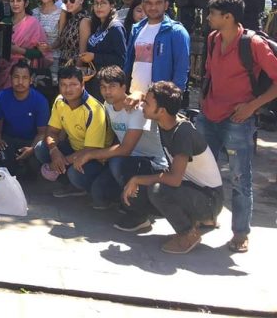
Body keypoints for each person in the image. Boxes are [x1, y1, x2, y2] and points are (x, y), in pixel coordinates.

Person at [196, 0, 277, 253]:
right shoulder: (213, 39)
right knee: (203, 171)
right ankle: (207, 217)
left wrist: (253, 106)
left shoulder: (253, 44)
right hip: (209, 115)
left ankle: (240, 233)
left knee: (240, 179)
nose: (208, 18)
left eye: (212, 14)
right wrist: (203, 100)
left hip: (238, 120)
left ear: (228, 17)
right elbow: (209, 74)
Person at [122, 81, 223, 255]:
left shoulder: (182, 132)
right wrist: (138, 95)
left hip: (209, 200)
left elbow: (175, 179)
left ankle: (188, 234)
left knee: (157, 190)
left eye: (147, 103)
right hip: (192, 190)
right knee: (137, 194)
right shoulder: (164, 123)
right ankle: (196, 221)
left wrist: (137, 179)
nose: (143, 105)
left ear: (161, 110)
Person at [70, 66, 167, 223]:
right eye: (103, 87)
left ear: (124, 87)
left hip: (152, 163)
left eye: (112, 86)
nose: (107, 91)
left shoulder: (137, 109)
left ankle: (140, 212)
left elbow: (125, 149)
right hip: (127, 162)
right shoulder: (108, 105)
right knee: (93, 189)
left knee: (116, 161)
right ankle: (124, 199)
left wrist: (90, 154)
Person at [33, 66, 113, 198]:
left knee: (75, 174)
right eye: (63, 84)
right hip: (73, 148)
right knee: (41, 148)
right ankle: (68, 183)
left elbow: (91, 150)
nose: (68, 89)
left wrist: (60, 161)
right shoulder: (59, 101)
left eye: (73, 84)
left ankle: (80, 185)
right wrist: (54, 151)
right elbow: (52, 131)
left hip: (95, 158)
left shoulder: (94, 110)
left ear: (82, 84)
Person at [124, 0, 190, 107]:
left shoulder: (177, 32)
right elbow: (129, 64)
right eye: (148, 3)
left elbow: (181, 71)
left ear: (166, 5)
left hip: (160, 103)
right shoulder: (136, 29)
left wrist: (172, 102)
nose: (153, 7)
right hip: (134, 97)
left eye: (158, 3)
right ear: (143, 4)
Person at [0, 61, 50, 180]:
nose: (20, 82)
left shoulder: (40, 101)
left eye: (25, 78)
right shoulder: (1, 97)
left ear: (31, 80)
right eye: (16, 77)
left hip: (31, 140)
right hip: (8, 139)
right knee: (2, 164)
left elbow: (42, 132)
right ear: (10, 78)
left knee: (33, 167)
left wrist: (32, 149)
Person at [0, 0, 48, 90]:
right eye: (12, 1)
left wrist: (19, 50)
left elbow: (41, 52)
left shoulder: (33, 23)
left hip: (25, 70)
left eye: (18, 1)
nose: (15, 4)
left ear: (26, 3)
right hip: (4, 69)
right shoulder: (4, 22)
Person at [81, 0, 126, 97]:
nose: (99, 6)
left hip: (107, 85)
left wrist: (94, 56)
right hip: (93, 81)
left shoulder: (116, 28)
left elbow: (121, 59)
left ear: (111, 5)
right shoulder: (98, 26)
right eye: (96, 3)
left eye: (103, 3)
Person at [33, 0, 66, 83]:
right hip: (36, 59)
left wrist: (49, 47)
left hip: (54, 60)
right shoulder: (34, 12)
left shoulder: (61, 12)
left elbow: (61, 38)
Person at [57, 0, 91, 67]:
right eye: (65, 0)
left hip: (73, 68)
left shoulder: (84, 21)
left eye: (72, 0)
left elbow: (82, 53)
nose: (68, 3)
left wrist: (76, 72)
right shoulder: (70, 18)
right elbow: (60, 39)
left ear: (81, 0)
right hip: (63, 66)